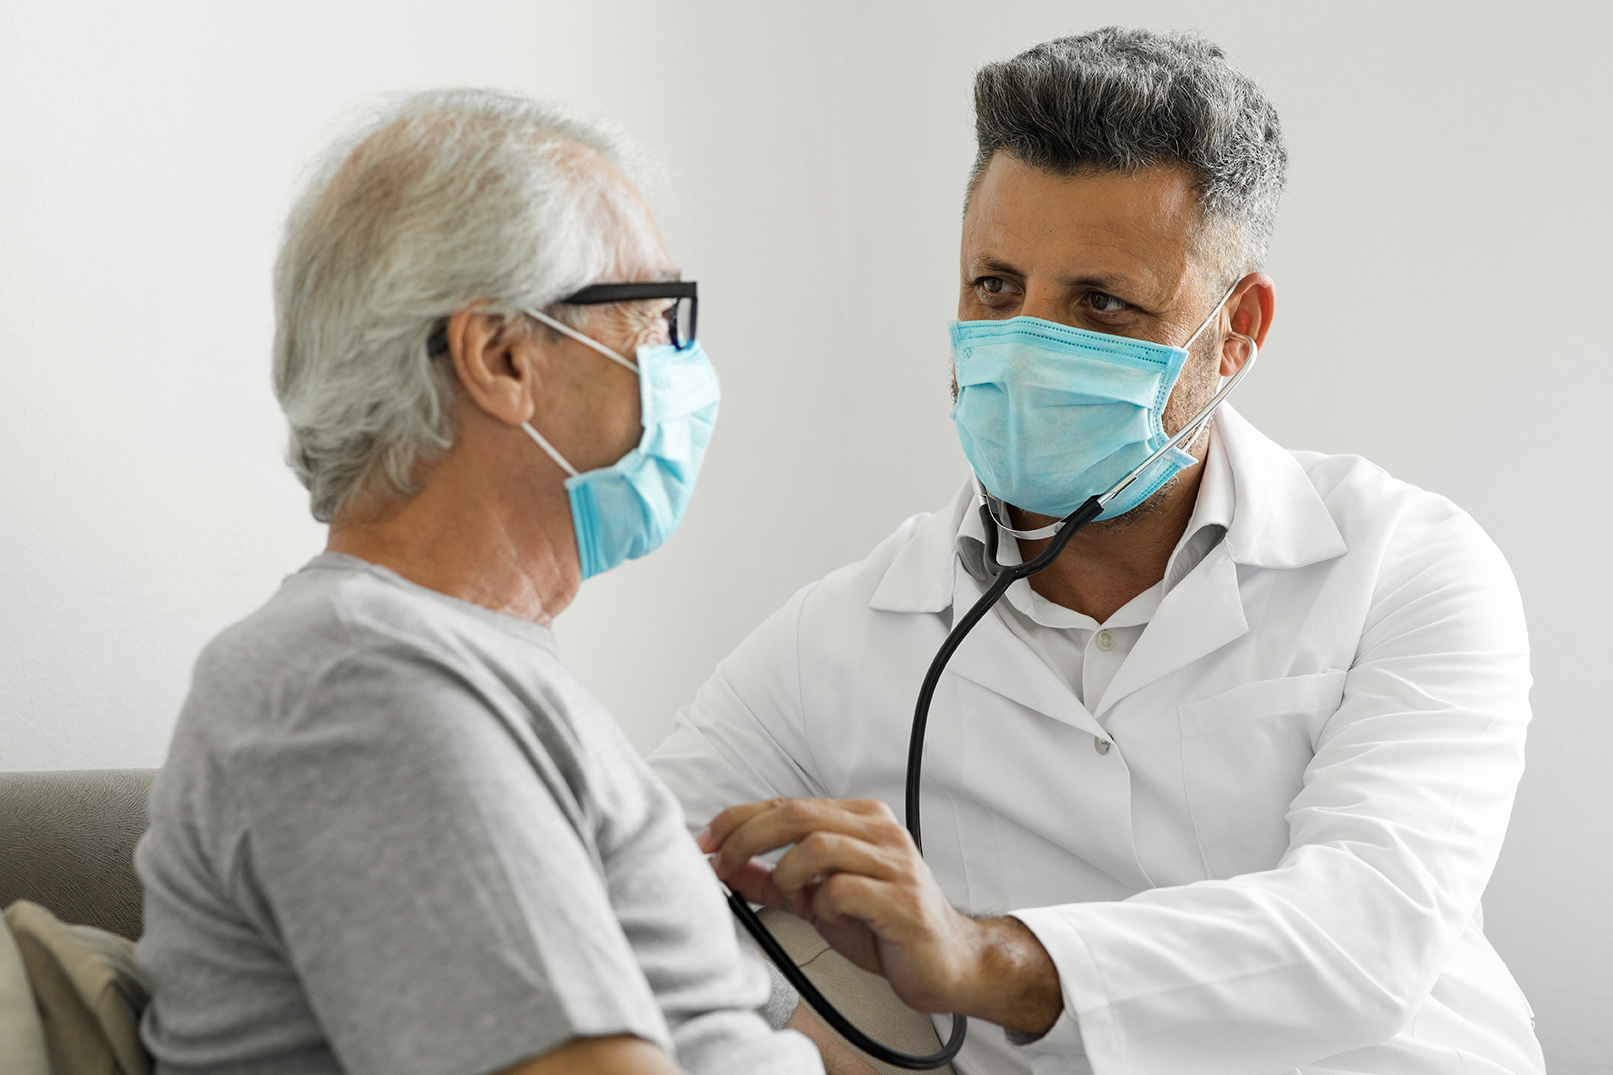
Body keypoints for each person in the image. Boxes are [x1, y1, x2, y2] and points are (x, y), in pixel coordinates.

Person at [649, 28, 1544, 1075]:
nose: (1024, 343)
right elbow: (620, 866)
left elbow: (1365, 930)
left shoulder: (1403, 563)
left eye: (1099, 305)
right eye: (992, 286)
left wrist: (986, 959)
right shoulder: (834, 639)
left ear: (1235, 329)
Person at [134, 89, 821, 1075]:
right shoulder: (361, 680)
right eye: (654, 314)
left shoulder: (456, 664)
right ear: (500, 357)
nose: (683, 360)